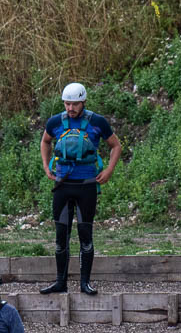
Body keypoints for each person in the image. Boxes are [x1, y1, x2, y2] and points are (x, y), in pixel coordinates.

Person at [39, 82, 121, 295]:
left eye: (74, 104)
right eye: (67, 104)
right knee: (61, 237)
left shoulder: (97, 122)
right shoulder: (56, 121)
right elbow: (45, 141)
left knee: (85, 235)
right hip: (62, 186)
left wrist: (109, 170)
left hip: (86, 186)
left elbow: (115, 145)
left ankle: (85, 283)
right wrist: (46, 167)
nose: (70, 108)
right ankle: (61, 282)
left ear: (83, 102)